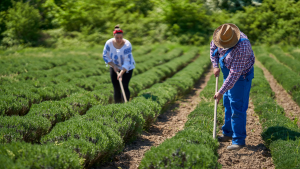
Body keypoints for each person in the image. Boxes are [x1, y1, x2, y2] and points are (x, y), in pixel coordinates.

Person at [210, 23, 255, 151]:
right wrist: (215, 66)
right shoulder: (220, 36)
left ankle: (239, 140)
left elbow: (235, 74)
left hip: (240, 77)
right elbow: (213, 49)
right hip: (227, 72)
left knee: (237, 107)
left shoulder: (243, 46)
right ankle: (228, 133)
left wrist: (220, 91)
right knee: (227, 103)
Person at [103, 25, 135, 103]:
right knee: (116, 87)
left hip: (127, 68)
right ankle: (117, 105)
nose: (119, 40)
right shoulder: (109, 43)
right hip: (114, 66)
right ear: (114, 36)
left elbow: (127, 61)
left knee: (124, 85)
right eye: (117, 38)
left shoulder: (127, 45)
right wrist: (113, 66)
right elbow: (105, 56)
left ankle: (125, 104)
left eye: (121, 38)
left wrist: (121, 73)